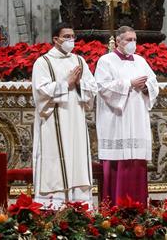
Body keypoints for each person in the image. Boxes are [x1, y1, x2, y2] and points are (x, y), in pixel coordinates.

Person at [31, 23, 97, 208]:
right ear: (56, 39)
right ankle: (53, 206)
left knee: (77, 158)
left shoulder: (79, 61)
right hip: (53, 120)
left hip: (75, 118)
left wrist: (78, 85)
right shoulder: (43, 62)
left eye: (72, 36)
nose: (71, 40)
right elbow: (40, 92)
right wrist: (66, 83)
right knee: (55, 161)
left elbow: (92, 87)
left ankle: (79, 205)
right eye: (66, 36)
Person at [95, 26, 159, 205]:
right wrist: (129, 84)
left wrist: (146, 87)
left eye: (135, 40)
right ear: (118, 42)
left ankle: (138, 205)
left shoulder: (140, 61)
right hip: (116, 119)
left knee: (136, 161)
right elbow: (102, 87)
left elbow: (154, 83)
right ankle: (114, 206)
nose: (132, 43)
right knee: (118, 162)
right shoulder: (106, 61)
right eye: (128, 40)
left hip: (137, 117)